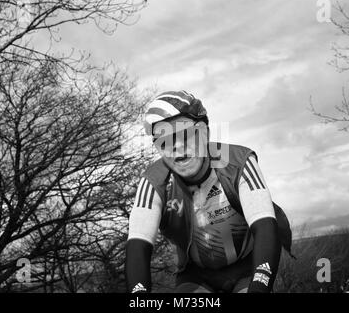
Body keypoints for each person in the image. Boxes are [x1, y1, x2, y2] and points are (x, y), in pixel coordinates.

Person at [125, 90, 292, 293]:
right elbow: (137, 246)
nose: (177, 146)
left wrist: (260, 284)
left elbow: (265, 225)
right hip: (197, 276)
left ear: (205, 132)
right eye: (164, 141)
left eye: (185, 133)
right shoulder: (154, 181)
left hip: (247, 267)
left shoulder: (237, 161)